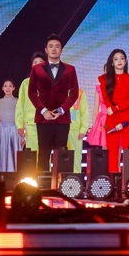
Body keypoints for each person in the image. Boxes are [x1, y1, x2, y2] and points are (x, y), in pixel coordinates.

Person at [28, 34, 80, 173]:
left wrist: (62, 110)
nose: (54, 49)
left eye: (57, 46)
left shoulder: (70, 69)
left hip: (62, 118)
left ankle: (61, 183)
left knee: (61, 154)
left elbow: (74, 92)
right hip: (43, 118)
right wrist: (43, 110)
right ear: (46, 49)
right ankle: (42, 183)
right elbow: (31, 92)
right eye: (51, 46)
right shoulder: (37, 69)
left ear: (61, 50)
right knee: (43, 153)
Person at [99, 49, 129, 172]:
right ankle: (113, 179)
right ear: (112, 62)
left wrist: (116, 108)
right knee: (112, 152)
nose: (119, 61)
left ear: (125, 61)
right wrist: (116, 121)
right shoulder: (105, 79)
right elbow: (106, 99)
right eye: (116, 59)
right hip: (112, 119)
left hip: (128, 118)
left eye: (122, 58)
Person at [16, 53, 46, 156]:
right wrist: (20, 124)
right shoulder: (26, 83)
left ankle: (44, 168)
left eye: (40, 62)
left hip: (46, 123)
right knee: (32, 154)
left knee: (44, 154)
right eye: (35, 62)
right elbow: (20, 104)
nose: (38, 64)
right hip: (31, 123)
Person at [0, 80, 20, 172]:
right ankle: (2, 173)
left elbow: (21, 117)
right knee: (2, 152)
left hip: (14, 130)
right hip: (2, 130)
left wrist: (22, 135)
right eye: (5, 86)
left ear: (13, 88)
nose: (8, 88)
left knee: (14, 153)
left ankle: (14, 172)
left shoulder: (18, 101)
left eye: (10, 86)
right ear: (2, 88)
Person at [67, 87, 90, 172]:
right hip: (60, 128)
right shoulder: (58, 89)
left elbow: (85, 112)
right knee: (60, 155)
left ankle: (75, 177)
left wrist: (83, 129)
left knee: (76, 157)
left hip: (75, 130)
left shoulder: (80, 92)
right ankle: (59, 178)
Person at [85, 75, 108, 150]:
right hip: (103, 121)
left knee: (116, 146)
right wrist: (94, 127)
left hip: (115, 119)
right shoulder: (99, 89)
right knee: (105, 145)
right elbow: (96, 109)